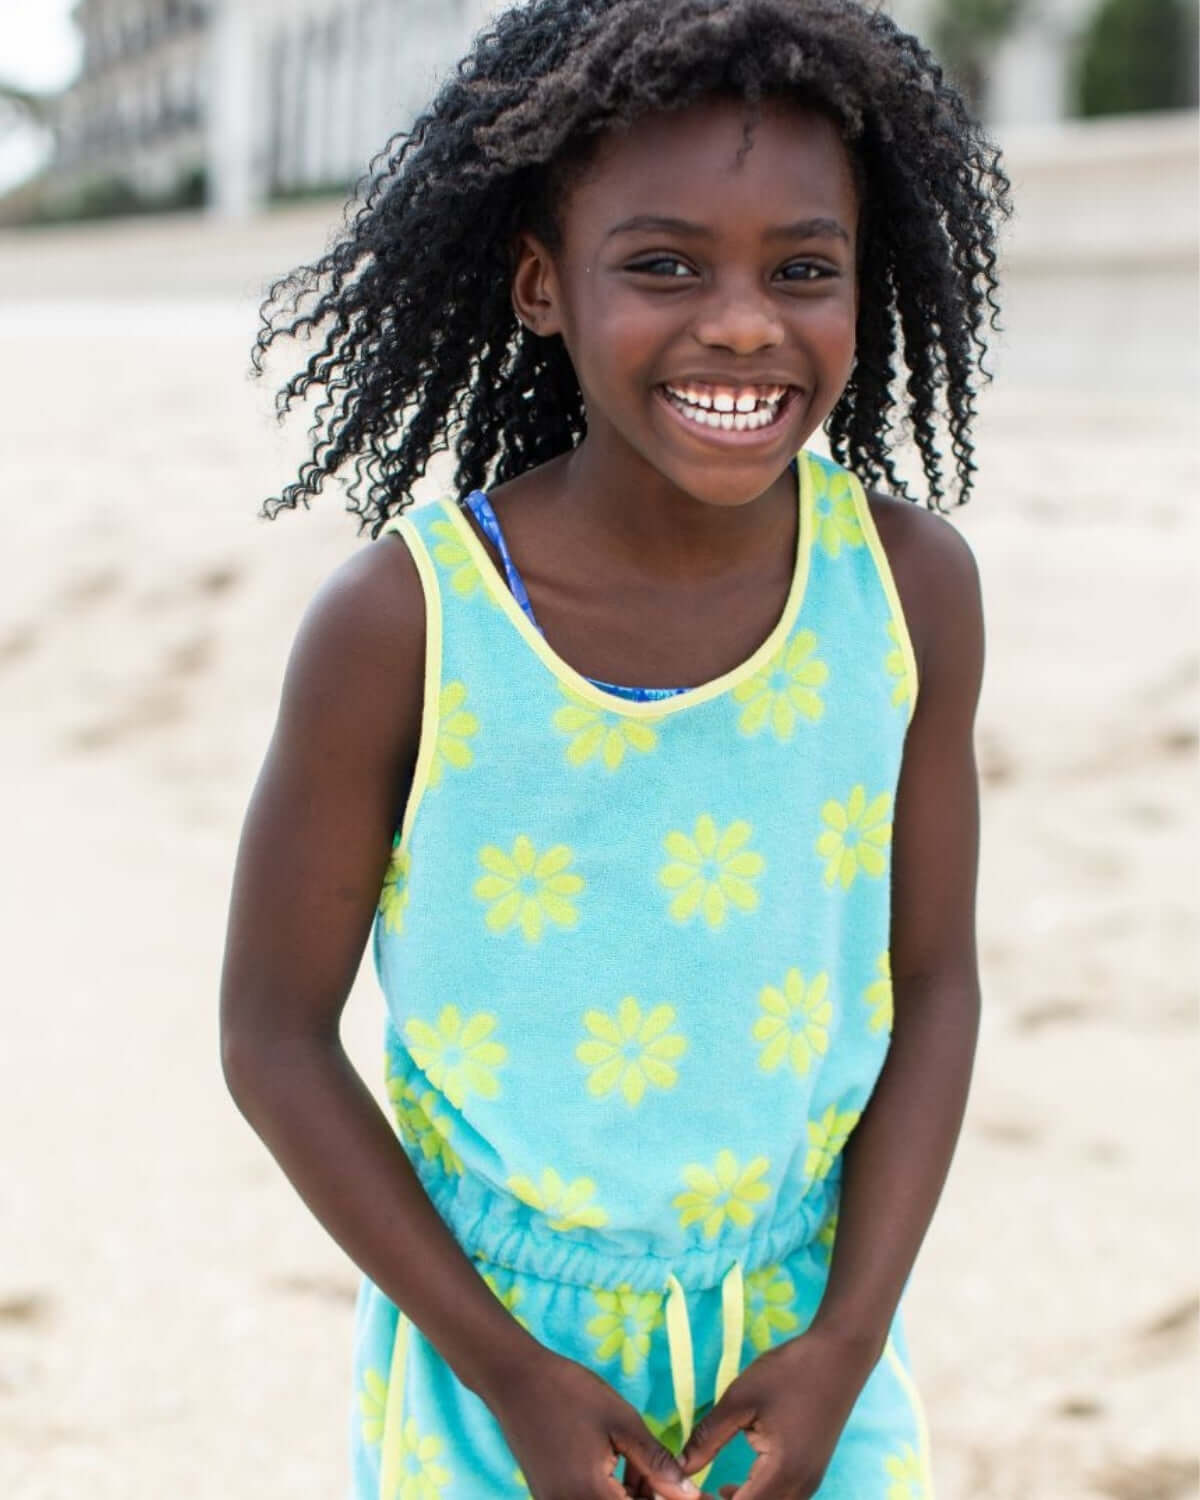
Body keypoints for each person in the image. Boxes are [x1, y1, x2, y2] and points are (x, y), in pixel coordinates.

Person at [221, 2, 1008, 1496]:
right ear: (541, 284)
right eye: (664, 265)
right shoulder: (407, 624)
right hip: (494, 1361)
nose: (743, 323)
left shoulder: (907, 593)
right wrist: (508, 1369)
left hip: (808, 1340)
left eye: (803, 270)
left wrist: (849, 1338)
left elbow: (936, 985)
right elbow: (271, 1037)